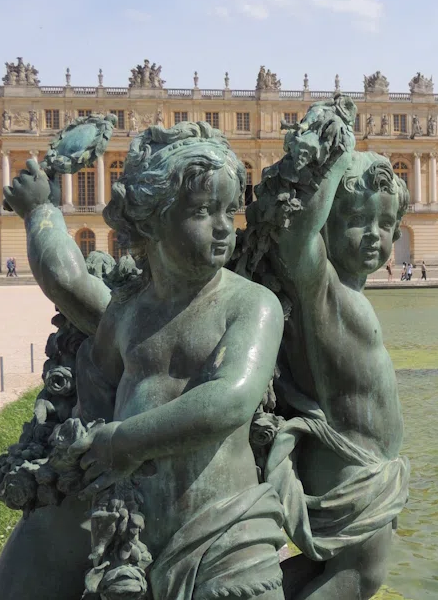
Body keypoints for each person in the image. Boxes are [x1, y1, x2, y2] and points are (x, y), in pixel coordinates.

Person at [75, 123, 286, 598]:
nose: (222, 228)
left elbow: (229, 400)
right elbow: (95, 385)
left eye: (228, 211)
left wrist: (123, 442)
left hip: (229, 537)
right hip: (132, 541)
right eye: (201, 211)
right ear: (150, 220)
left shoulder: (251, 304)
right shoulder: (127, 312)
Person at [264, 148, 410, 599]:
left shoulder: (341, 293)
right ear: (325, 222)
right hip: (352, 476)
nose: (374, 235)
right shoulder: (322, 288)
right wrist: (329, 159)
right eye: (357, 219)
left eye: (385, 225)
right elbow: (297, 241)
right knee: (360, 577)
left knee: (323, 574)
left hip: (359, 469)